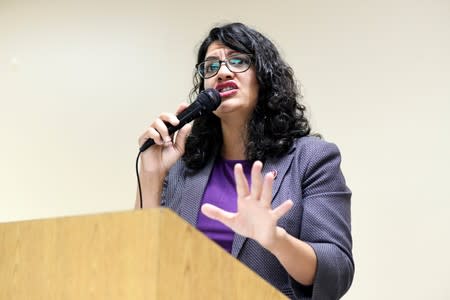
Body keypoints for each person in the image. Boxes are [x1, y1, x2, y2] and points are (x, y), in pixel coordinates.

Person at [137, 22, 354, 300]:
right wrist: (151, 175)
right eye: (211, 66)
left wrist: (275, 239)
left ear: (264, 78)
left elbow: (336, 272)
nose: (223, 72)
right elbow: (143, 263)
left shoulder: (311, 159)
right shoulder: (184, 165)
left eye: (238, 61)